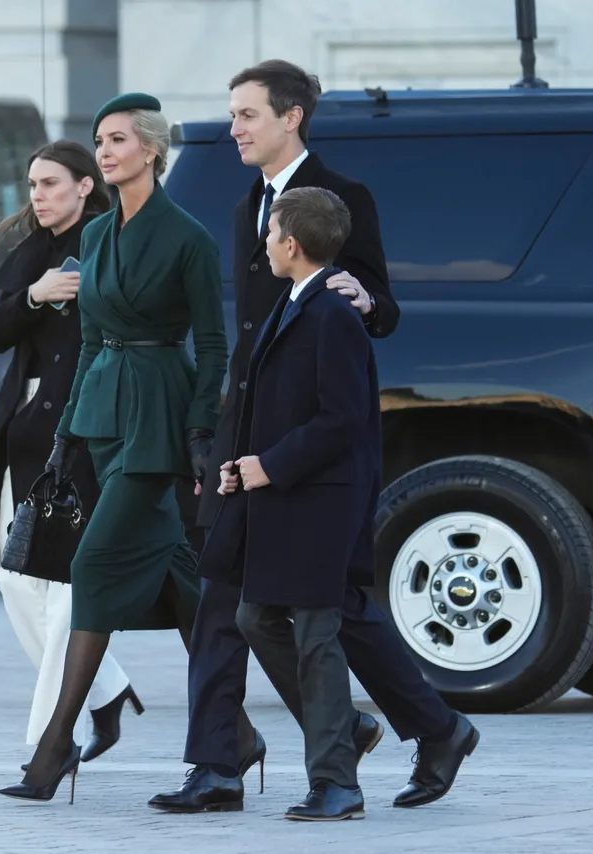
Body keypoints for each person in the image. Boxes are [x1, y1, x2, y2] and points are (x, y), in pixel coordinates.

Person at [152, 59, 478, 816]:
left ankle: (428, 729)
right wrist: (217, 439)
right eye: (232, 114)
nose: (233, 127)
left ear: (290, 117)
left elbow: (378, 308)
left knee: (333, 609)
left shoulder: (343, 201)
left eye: (245, 115)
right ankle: (219, 766)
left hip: (309, 450)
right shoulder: (245, 213)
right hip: (250, 440)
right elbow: (246, 338)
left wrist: (366, 300)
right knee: (226, 600)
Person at [0, 92, 261, 804]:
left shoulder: (187, 238)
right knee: (181, 579)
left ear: (150, 149)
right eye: (100, 141)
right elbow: (87, 338)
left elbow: (211, 343)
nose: (105, 152)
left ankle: (56, 745)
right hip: (104, 414)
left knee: (91, 563)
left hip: (159, 413)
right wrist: (67, 435)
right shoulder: (97, 236)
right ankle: (238, 734)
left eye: (117, 141)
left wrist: (204, 430)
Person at [0, 140, 144, 767]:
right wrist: (35, 295)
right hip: (26, 431)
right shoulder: (33, 255)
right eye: (33, 184)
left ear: (85, 186)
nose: (38, 196)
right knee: (13, 576)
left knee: (65, 588)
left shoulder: (109, 241)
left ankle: (51, 741)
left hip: (85, 429)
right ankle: (109, 689)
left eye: (50, 184)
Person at [219, 185, 381, 819]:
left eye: (271, 233)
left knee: (316, 635)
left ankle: (336, 784)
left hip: (321, 501)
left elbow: (342, 419)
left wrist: (272, 465)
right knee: (255, 617)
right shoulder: (293, 302)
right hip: (283, 494)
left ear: (291, 243)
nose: (263, 242)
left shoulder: (332, 314)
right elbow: (277, 404)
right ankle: (341, 726)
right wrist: (241, 467)